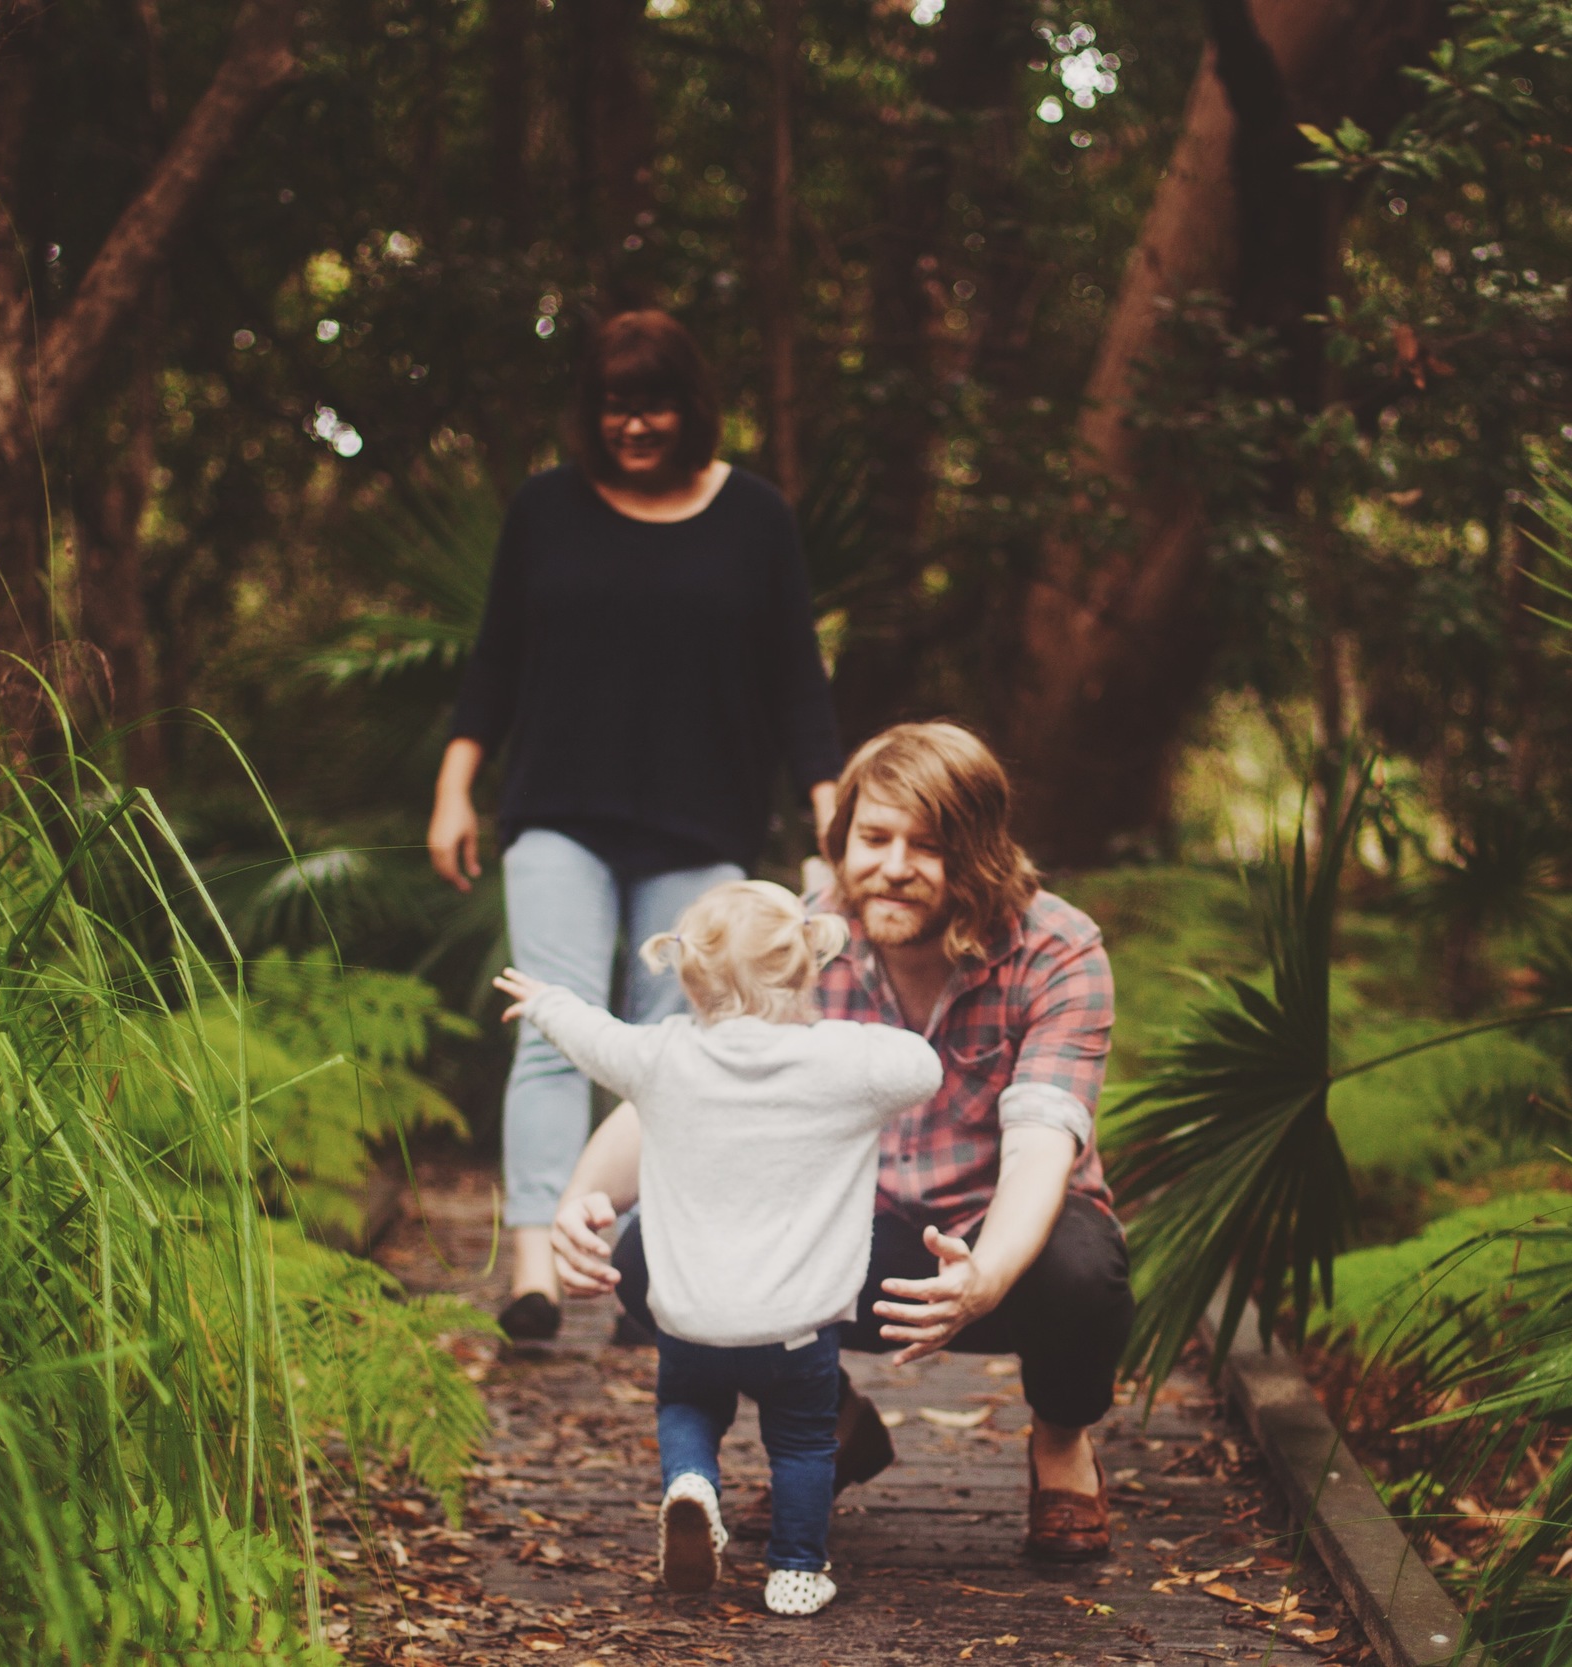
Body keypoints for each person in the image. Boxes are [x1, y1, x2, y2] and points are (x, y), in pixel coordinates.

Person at [547, 723, 1133, 1561]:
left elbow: (1045, 1140)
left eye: (927, 846)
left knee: (1086, 1268)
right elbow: (685, 1078)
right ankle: (830, 1422)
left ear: (981, 853)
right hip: (840, 1231)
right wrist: (582, 1203)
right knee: (648, 1256)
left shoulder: (1058, 949)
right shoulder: (799, 933)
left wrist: (987, 1273)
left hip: (1002, 1232)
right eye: (874, 837)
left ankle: (1061, 1444)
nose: (892, 865)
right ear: (842, 837)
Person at [430, 310, 845, 1342]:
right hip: (558, 811)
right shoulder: (546, 509)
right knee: (554, 1030)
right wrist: (454, 784)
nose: (633, 424)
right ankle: (533, 1260)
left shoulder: (754, 517)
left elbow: (796, 679)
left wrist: (834, 810)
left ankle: (641, 1264)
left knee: (677, 1047)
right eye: (615, 405)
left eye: (653, 403)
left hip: (700, 818)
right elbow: (494, 659)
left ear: (690, 407)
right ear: (591, 409)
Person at [493, 879, 941, 1615]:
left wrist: (546, 1002)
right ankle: (796, 1569)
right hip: (797, 1327)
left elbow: (596, 1036)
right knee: (801, 1442)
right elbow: (923, 1066)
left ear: (690, 979)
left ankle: (692, 1481)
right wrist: (841, 1029)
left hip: (689, 1318)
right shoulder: (844, 1062)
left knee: (687, 1407)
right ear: (805, 970)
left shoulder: (661, 1056)